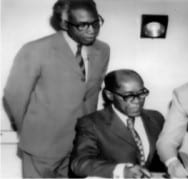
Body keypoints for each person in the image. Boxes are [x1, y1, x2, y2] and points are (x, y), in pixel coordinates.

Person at [3, 0, 110, 177]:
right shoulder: (35, 49)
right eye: (82, 25)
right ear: (64, 24)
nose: (92, 30)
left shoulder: (103, 49)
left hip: (82, 147)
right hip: (42, 146)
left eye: (95, 22)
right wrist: (31, 130)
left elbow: (91, 93)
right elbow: (14, 95)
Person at [70, 69, 166, 178]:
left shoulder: (156, 118)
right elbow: (79, 163)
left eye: (141, 93)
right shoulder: (91, 123)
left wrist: (176, 162)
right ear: (110, 95)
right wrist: (122, 171)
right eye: (128, 95)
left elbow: (162, 156)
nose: (137, 101)